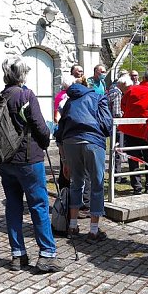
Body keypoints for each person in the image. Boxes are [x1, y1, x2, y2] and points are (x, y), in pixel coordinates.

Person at [0, 56, 61, 272]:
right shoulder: (26, 95)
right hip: (28, 159)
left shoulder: (0, 96)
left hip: (6, 160)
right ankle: (47, 255)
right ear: (22, 74)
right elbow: (41, 127)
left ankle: (18, 255)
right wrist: (45, 142)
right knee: (39, 205)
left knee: (13, 206)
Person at [54, 78, 112, 241]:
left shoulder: (69, 101)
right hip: (92, 141)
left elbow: (60, 127)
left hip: (70, 142)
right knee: (97, 184)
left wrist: (64, 159)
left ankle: (72, 226)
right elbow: (107, 123)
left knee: (76, 183)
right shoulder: (97, 97)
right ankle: (93, 230)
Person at [120, 69, 148, 194]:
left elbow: (123, 105)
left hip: (131, 129)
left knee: (133, 158)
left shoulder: (132, 90)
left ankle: (136, 186)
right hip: (147, 130)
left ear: (143, 77)